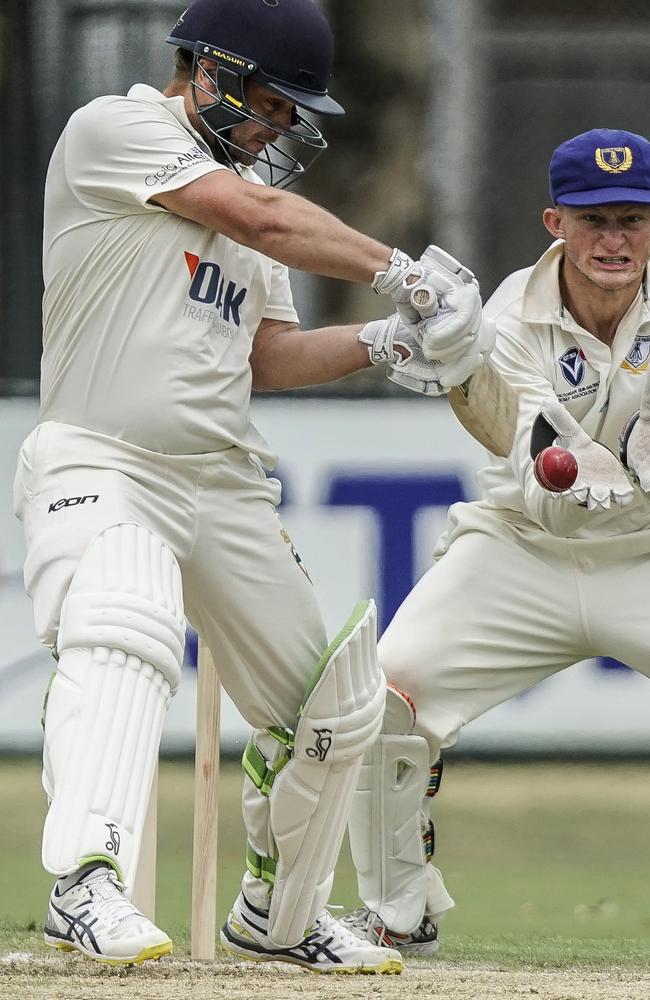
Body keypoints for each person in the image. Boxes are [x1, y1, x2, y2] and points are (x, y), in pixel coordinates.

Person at [13, 0, 490, 974]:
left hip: (221, 478)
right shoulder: (117, 131)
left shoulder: (244, 209)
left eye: (289, 114)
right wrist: (405, 276)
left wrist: (380, 340)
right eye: (269, 104)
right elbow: (260, 215)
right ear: (211, 71)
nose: (276, 129)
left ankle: (280, 916)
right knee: (124, 627)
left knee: (335, 702)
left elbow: (264, 355)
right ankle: (88, 883)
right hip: (105, 456)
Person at [340, 127, 650, 954]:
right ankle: (398, 911)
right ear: (556, 223)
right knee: (382, 699)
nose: (614, 241)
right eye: (594, 221)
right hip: (523, 549)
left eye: (632, 219)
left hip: (645, 555)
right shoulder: (509, 317)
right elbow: (546, 483)